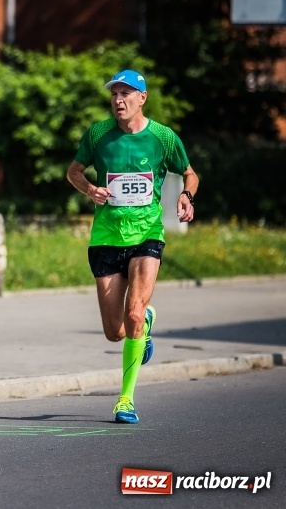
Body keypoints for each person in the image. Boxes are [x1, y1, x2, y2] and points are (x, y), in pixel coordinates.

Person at [66, 69, 199, 424]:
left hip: (147, 234)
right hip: (107, 237)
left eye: (126, 94)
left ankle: (125, 399)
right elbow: (74, 171)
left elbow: (189, 172)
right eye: (114, 94)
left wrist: (186, 195)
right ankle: (146, 323)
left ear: (142, 98)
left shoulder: (162, 137)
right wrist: (89, 190)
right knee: (115, 331)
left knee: (134, 312)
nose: (118, 100)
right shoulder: (98, 134)